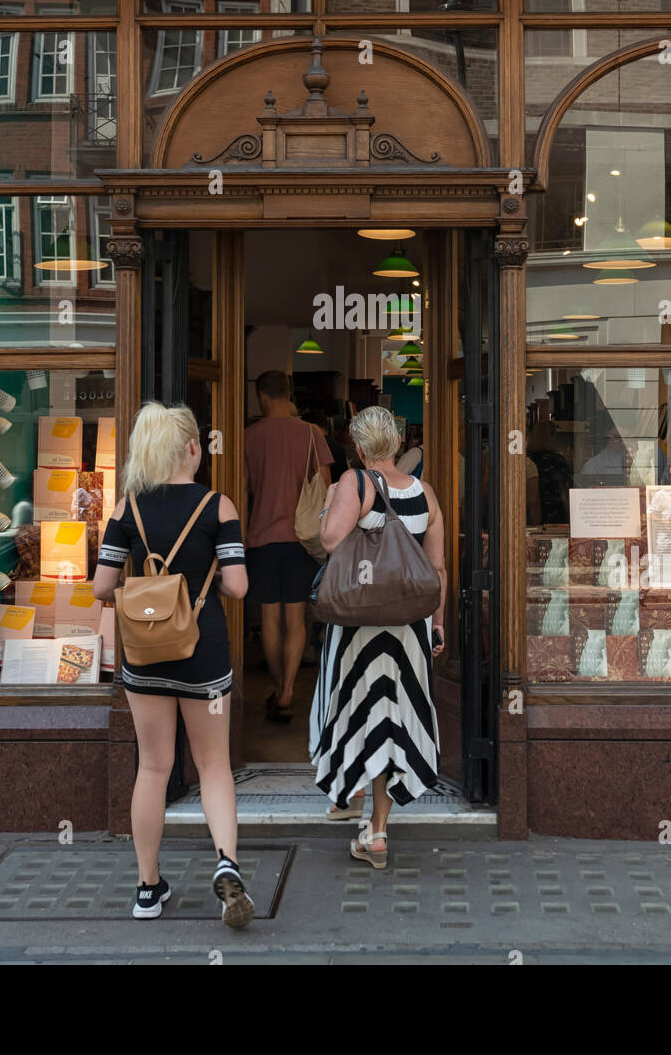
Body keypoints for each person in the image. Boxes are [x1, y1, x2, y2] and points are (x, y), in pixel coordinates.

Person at [91, 402, 253, 927]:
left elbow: (101, 587)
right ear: (191, 448)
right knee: (213, 765)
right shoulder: (217, 506)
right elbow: (238, 585)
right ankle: (226, 863)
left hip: (144, 656)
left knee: (154, 767)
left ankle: (146, 888)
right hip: (202, 653)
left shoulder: (126, 508)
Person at [312, 406, 445, 863]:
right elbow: (438, 569)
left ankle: (348, 795)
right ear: (398, 442)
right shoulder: (425, 493)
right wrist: (438, 624)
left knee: (359, 715)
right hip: (410, 629)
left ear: (360, 446)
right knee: (392, 724)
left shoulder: (358, 482)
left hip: (359, 627)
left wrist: (332, 498)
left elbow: (329, 539)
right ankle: (378, 832)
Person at [244, 371, 332, 722]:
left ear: (261, 395)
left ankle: (279, 687)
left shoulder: (249, 437)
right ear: (289, 393)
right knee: (297, 618)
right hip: (302, 538)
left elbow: (240, 488)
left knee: (270, 617)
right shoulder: (313, 434)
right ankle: (290, 690)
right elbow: (326, 486)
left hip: (261, 538)